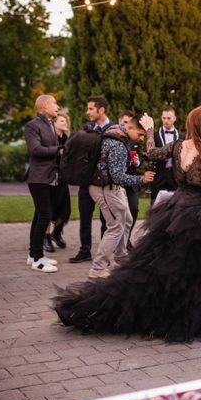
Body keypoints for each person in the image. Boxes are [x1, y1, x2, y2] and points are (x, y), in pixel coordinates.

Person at [53, 107, 201, 341]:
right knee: (194, 270)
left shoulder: (179, 145)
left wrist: (149, 130)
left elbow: (152, 152)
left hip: (176, 211)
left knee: (165, 267)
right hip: (200, 218)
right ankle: (185, 314)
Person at [87, 117, 155, 279]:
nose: (141, 138)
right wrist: (141, 179)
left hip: (109, 187)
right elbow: (117, 177)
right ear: (130, 127)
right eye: (140, 134)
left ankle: (120, 256)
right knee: (116, 226)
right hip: (106, 188)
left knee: (127, 219)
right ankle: (98, 268)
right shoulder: (117, 144)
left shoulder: (116, 133)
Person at [69, 96, 110, 263]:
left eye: (91, 109)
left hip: (104, 184)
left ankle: (103, 253)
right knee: (84, 217)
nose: (88, 112)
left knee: (105, 220)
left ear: (101, 110)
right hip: (86, 183)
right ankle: (84, 250)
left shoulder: (114, 129)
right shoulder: (86, 129)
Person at [24, 94, 61, 273]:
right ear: (44, 106)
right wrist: (60, 150)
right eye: (54, 103)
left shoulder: (50, 123)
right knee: (45, 216)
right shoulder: (32, 125)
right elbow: (36, 150)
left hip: (49, 177)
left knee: (39, 216)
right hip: (38, 178)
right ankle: (38, 259)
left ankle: (33, 254)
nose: (57, 107)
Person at [46, 111, 72, 252]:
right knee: (48, 210)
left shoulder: (66, 138)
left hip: (62, 178)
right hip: (49, 178)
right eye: (62, 121)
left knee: (65, 210)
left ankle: (57, 233)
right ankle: (46, 237)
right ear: (54, 123)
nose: (65, 123)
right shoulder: (50, 138)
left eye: (66, 121)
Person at [150, 106, 185, 203]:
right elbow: (151, 152)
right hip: (159, 174)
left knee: (175, 204)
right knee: (155, 205)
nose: (166, 121)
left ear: (174, 118)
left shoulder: (182, 136)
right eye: (163, 118)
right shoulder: (154, 135)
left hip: (175, 176)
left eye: (168, 118)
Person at [118, 110, 141, 249]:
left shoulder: (136, 139)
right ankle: (113, 242)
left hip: (131, 180)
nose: (127, 125)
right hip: (116, 181)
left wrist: (137, 162)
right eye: (124, 122)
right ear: (120, 122)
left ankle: (126, 239)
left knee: (134, 208)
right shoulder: (114, 138)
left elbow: (141, 161)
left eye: (128, 122)